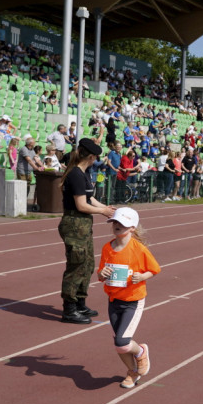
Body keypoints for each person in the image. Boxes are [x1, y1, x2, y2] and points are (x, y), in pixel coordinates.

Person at [96, 207, 161, 389]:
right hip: (113, 300)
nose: (117, 226)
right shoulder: (107, 248)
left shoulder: (138, 249)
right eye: (115, 222)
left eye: (122, 223)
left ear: (132, 227)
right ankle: (132, 372)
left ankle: (140, 351)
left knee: (122, 342)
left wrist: (142, 277)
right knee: (119, 344)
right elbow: (100, 275)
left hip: (133, 300)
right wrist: (102, 273)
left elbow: (155, 269)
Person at [58, 138, 116, 325]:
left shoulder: (82, 173)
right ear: (91, 157)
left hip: (82, 224)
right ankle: (70, 308)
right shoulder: (75, 174)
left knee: (88, 264)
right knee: (76, 265)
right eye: (95, 158)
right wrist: (103, 211)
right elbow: (81, 205)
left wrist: (108, 209)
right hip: (75, 222)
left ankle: (80, 302)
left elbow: (90, 199)